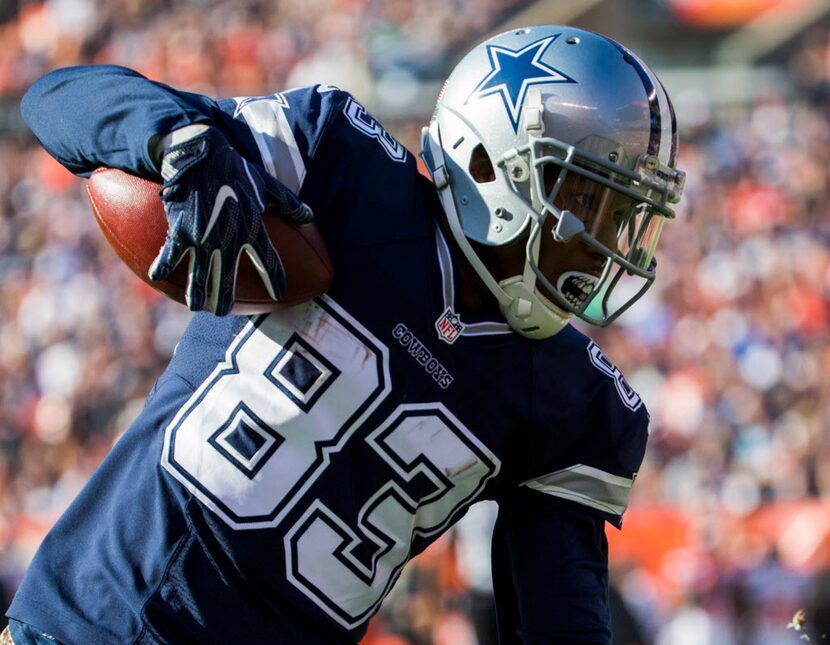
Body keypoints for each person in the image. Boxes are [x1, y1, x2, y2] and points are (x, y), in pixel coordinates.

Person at [7, 25, 685, 644]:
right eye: (586, 198)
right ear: (492, 161)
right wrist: (176, 139)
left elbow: (559, 621)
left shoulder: (574, 402)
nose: (605, 243)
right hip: (96, 615)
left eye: (625, 212)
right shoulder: (338, 165)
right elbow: (58, 97)